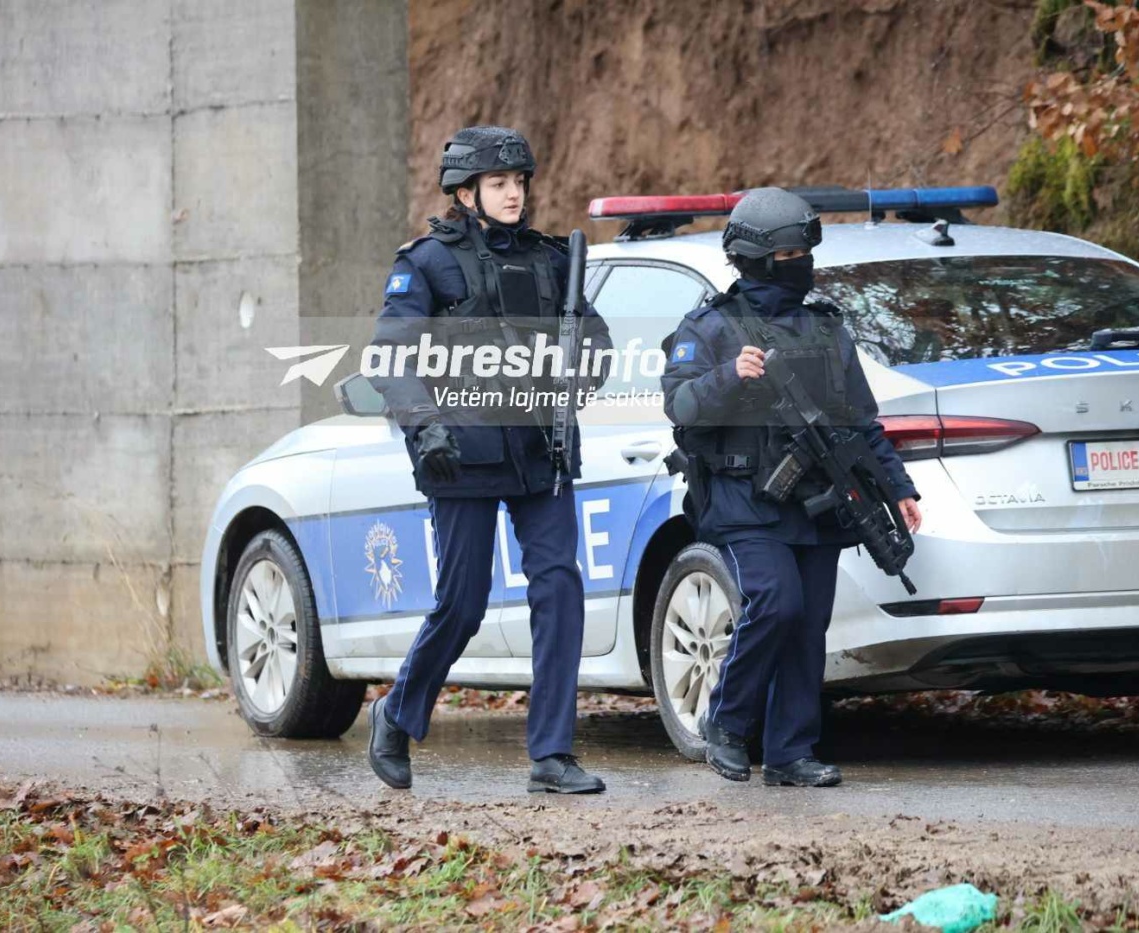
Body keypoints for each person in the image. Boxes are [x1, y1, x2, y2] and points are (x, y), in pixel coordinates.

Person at [365, 125, 610, 794]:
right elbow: (390, 356)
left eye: (519, 181)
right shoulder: (426, 263)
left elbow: (595, 340)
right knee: (464, 603)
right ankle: (397, 711)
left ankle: (552, 754)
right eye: (499, 183)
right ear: (466, 192)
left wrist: (580, 368)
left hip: (540, 451)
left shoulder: (550, 260)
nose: (513, 193)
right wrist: (426, 429)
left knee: (559, 589)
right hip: (460, 454)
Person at [661, 187, 921, 787]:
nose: (800, 264)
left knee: (808, 627)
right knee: (776, 603)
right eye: (786, 256)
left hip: (819, 503)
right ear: (754, 258)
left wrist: (898, 489)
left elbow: (861, 422)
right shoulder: (710, 327)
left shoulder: (826, 329)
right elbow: (680, 405)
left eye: (804, 253)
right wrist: (731, 376)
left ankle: (789, 752)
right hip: (744, 501)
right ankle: (727, 724)